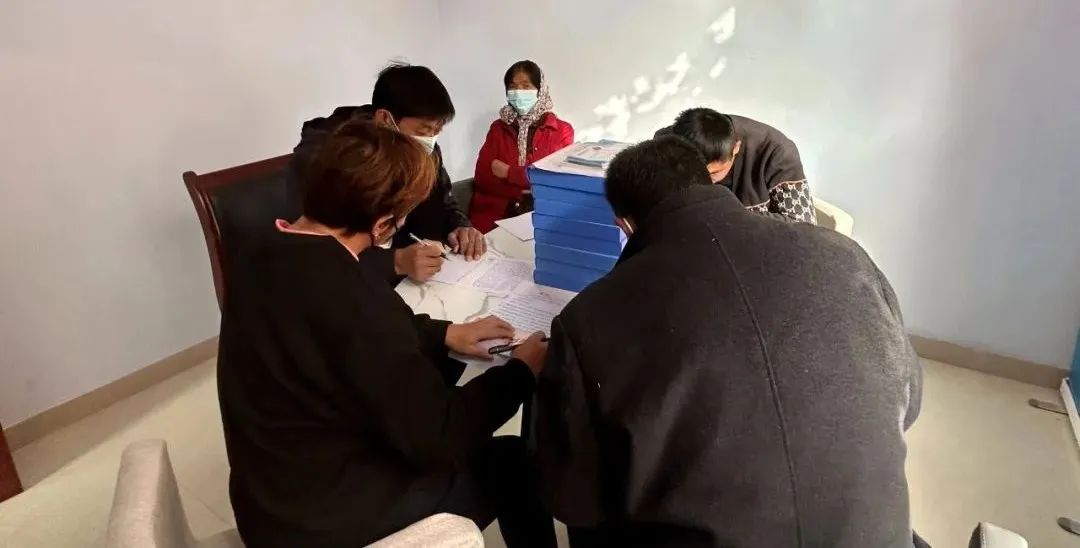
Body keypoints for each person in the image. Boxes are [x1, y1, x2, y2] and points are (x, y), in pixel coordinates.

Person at [532, 136, 924, 547]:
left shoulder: (591, 316)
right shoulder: (845, 256)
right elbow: (909, 403)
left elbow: (573, 500)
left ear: (624, 223)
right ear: (712, 179)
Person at [219, 120, 556, 548]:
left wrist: (444, 333)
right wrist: (521, 372)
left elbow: (345, 338)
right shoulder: (356, 298)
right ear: (382, 225)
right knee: (511, 461)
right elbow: (440, 437)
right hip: (323, 525)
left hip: (267, 500)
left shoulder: (260, 251)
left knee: (442, 382)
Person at [287, 63, 487, 283]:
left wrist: (459, 226)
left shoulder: (423, 147)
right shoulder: (335, 159)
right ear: (384, 119)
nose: (429, 140)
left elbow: (443, 199)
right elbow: (321, 246)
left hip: (422, 276)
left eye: (436, 131)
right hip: (352, 281)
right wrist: (396, 261)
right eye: (423, 131)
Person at [659, 107, 817, 224]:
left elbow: (803, 225)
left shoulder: (776, 152)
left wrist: (727, 215)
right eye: (693, 173)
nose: (705, 183)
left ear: (736, 148)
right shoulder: (666, 145)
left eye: (714, 174)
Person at [470, 60, 574, 233]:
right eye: (513, 87)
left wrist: (509, 173)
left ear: (540, 90)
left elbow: (557, 181)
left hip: (543, 219)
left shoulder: (561, 131)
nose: (518, 93)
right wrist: (530, 185)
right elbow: (483, 177)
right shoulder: (498, 128)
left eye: (526, 86)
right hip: (494, 219)